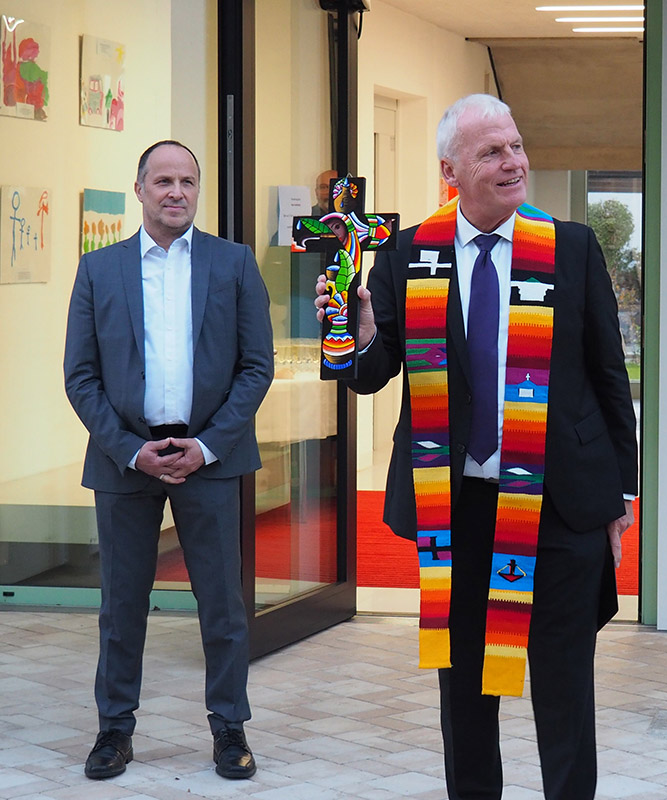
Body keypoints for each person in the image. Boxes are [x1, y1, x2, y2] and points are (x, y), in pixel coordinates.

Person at [316, 94, 637, 799]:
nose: (514, 162)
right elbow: (372, 374)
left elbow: (610, 378)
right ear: (450, 170)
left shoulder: (571, 248)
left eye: (516, 146)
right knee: (464, 696)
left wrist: (622, 494)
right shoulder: (409, 253)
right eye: (493, 152)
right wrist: (355, 331)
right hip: (456, 507)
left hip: (559, 505)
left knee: (562, 690)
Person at [64, 140, 274, 781]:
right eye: (163, 181)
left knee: (222, 606)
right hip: (125, 460)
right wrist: (132, 451)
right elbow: (80, 376)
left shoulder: (234, 264)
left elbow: (255, 366)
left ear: (198, 190)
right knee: (121, 605)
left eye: (187, 181)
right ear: (140, 189)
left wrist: (206, 444)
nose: (176, 191)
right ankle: (114, 732)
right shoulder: (99, 270)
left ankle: (229, 730)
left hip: (210, 456)